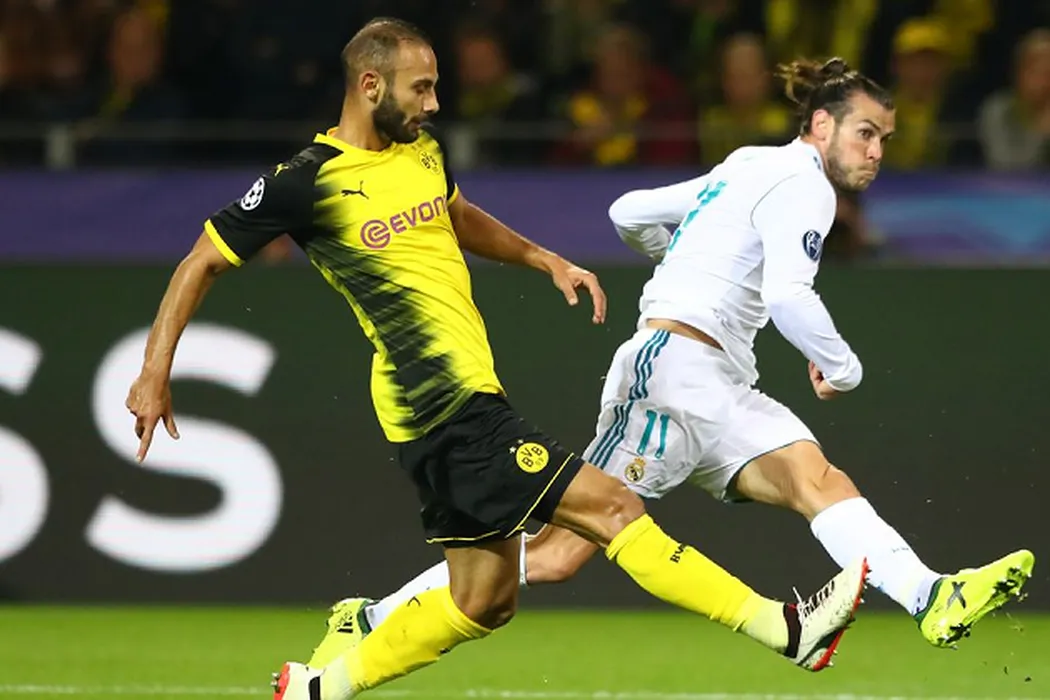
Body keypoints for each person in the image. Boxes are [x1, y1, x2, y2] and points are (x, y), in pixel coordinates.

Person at [123, 18, 869, 700]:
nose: (435, 103)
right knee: (613, 508)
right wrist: (155, 373)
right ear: (370, 85)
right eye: (421, 87)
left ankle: (320, 688)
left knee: (484, 600)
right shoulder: (307, 181)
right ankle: (784, 629)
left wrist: (544, 258)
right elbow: (201, 260)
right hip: (439, 404)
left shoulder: (420, 153)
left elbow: (455, 215)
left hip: (458, 402)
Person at [305, 56, 1035, 666]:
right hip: (673, 375)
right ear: (821, 126)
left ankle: (932, 596)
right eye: (865, 133)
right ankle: (368, 620)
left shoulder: (750, 164)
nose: (876, 151)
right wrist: (841, 368)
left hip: (720, 381)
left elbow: (629, 211)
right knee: (558, 553)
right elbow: (789, 295)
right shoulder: (807, 183)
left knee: (819, 481)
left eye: (884, 139)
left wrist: (677, 264)